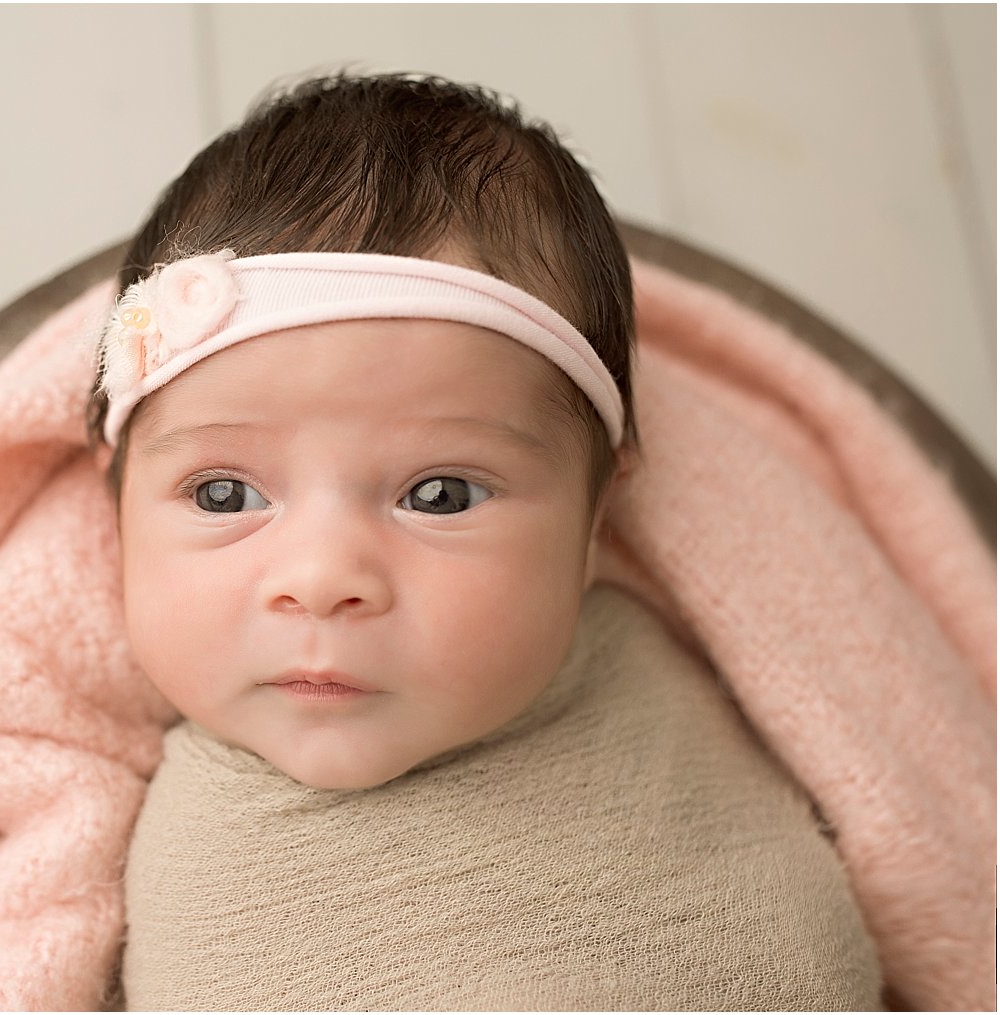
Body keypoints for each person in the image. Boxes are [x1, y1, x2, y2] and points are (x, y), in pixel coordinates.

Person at [86, 72, 882, 1010]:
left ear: (595, 520)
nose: (321, 579)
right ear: (117, 510)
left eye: (441, 493)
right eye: (223, 493)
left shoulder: (675, 696)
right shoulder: (121, 841)